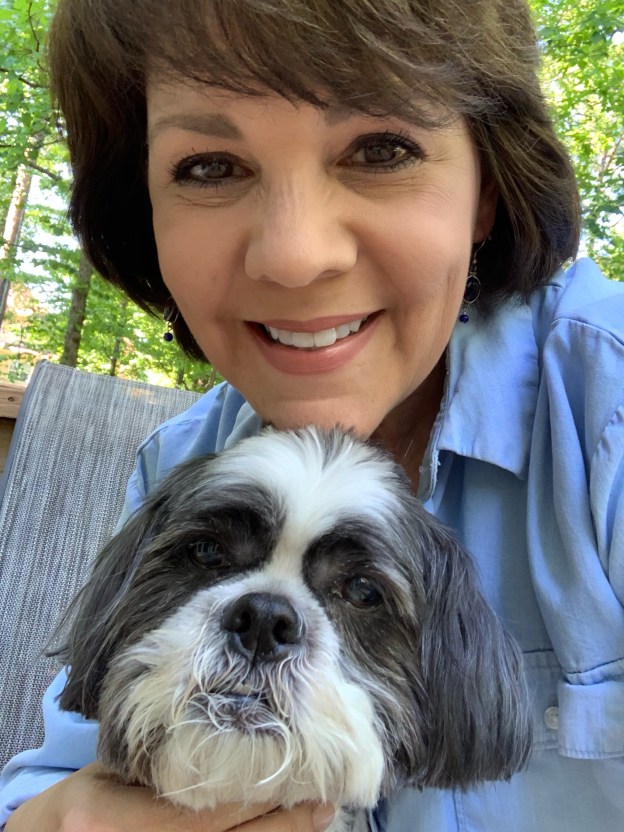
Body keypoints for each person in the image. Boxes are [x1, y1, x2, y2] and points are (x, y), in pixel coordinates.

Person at [2, 0, 623, 829]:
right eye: (210, 166)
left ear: (486, 188)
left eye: (382, 150)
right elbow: (65, 774)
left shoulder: (605, 407)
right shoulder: (180, 463)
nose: (295, 256)